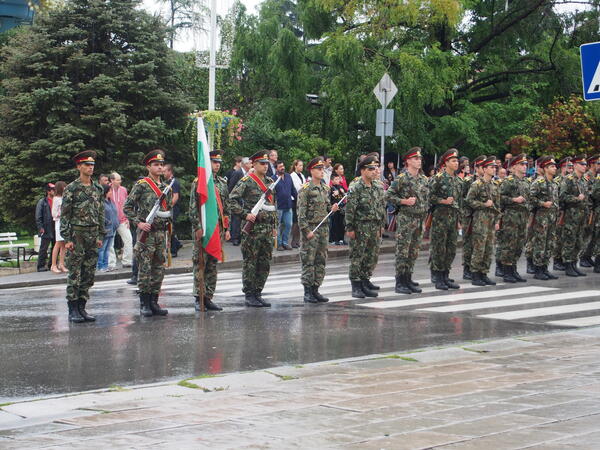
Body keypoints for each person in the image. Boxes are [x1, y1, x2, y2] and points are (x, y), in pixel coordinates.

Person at [123, 150, 172, 317]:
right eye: (156, 165)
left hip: (160, 233)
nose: (159, 167)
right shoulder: (142, 185)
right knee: (145, 269)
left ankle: (154, 302)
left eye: (161, 165)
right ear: (148, 167)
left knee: (158, 269)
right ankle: (144, 303)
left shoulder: (166, 188)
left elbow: (168, 210)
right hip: (147, 233)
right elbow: (127, 207)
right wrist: (139, 222)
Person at [228, 151, 278, 307]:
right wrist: (245, 214)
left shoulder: (270, 181)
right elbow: (232, 201)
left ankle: (258, 292)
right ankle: (249, 294)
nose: (265, 166)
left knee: (265, 263)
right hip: (254, 230)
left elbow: (272, 207)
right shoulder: (247, 181)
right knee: (251, 262)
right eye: (262, 163)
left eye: (266, 164)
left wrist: (274, 226)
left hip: (267, 229)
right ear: (254, 164)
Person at [60, 151, 104, 323]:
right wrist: (67, 238)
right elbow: (65, 215)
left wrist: (100, 234)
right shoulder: (72, 188)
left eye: (92, 165)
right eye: (86, 165)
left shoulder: (97, 188)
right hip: (77, 234)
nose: (90, 168)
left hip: (93, 234)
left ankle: (82, 307)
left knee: (89, 272)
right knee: (75, 272)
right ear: (79, 167)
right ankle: (72, 309)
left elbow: (100, 212)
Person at [385, 147, 428, 294]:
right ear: (408, 161)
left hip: (419, 219)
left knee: (414, 251)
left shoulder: (423, 179)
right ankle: (400, 281)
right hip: (406, 219)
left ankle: (408, 278)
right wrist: (404, 201)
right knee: (403, 251)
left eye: (420, 158)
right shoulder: (401, 178)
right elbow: (388, 196)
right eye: (416, 159)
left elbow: (426, 198)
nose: (419, 161)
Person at [189, 150, 229, 312]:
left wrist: (226, 228)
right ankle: (199, 298)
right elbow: (193, 208)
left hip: (217, 230)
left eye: (219, 162)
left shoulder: (221, 183)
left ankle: (208, 297)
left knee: (212, 264)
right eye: (214, 162)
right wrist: (197, 227)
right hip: (203, 229)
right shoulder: (199, 182)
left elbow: (224, 207)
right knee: (201, 264)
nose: (217, 165)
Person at [297, 157, 339, 303]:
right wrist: (306, 230)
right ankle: (307, 291)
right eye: (319, 169)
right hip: (311, 229)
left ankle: (316, 289)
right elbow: (301, 213)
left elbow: (327, 208)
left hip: (323, 228)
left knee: (321, 260)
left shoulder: (325, 188)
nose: (322, 172)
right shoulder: (305, 189)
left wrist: (332, 209)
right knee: (309, 260)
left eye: (322, 169)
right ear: (312, 170)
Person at [345, 155, 386, 298]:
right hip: (360, 226)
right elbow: (350, 209)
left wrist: (382, 224)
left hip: (374, 226)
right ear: (363, 170)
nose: (374, 171)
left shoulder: (377, 186)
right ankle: (356, 285)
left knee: (371, 255)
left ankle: (365, 280)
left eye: (376, 168)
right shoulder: (356, 187)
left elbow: (381, 207)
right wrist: (350, 228)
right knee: (358, 256)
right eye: (371, 168)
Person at [428, 149, 462, 290]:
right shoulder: (438, 178)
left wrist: (459, 220)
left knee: (451, 249)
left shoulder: (458, 180)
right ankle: (437, 276)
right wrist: (442, 201)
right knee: (439, 248)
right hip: (440, 219)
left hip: (453, 219)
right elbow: (429, 197)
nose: (456, 163)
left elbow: (460, 202)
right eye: (453, 161)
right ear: (446, 163)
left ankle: (445, 274)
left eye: (457, 161)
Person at [466, 157, 501, 286]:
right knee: (479, 248)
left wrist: (497, 220)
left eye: (494, 167)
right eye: (491, 167)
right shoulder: (477, 184)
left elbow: (497, 205)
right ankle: (475, 274)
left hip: (491, 220)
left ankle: (484, 273)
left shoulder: (495, 185)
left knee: (488, 248)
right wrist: (483, 204)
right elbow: (469, 201)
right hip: (480, 220)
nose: (493, 169)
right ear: (484, 169)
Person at [496, 154, 529, 283]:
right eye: (522, 164)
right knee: (509, 244)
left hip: (522, 217)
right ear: (514, 166)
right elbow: (500, 198)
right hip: (511, 217)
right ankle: (506, 271)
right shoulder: (508, 181)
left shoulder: (525, 182)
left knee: (519, 244)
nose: (525, 167)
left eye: (525, 164)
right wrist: (513, 199)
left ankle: (513, 269)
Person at [529, 156, 560, 280]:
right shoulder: (538, 182)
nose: (555, 168)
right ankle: (538, 269)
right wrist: (542, 203)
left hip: (552, 217)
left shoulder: (554, 183)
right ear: (545, 168)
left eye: (555, 166)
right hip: (541, 217)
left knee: (549, 243)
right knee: (540, 243)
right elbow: (531, 198)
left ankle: (545, 268)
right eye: (552, 166)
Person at [560, 154, 589, 277]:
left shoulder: (583, 180)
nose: (584, 166)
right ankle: (567, 265)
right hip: (571, 215)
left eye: (585, 165)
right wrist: (576, 199)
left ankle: (573, 263)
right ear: (576, 165)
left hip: (581, 216)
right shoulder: (568, 179)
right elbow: (562, 196)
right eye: (582, 164)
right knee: (569, 240)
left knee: (578, 241)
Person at [461, 155, 486, 280]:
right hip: (469, 216)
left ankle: (478, 268)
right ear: (477, 168)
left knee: (480, 244)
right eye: (483, 166)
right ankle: (467, 268)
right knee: (468, 243)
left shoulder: (487, 182)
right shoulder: (468, 181)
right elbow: (462, 198)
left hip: (482, 217)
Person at [107, 172, 133, 269]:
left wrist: (127, 218)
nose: (120, 181)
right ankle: (111, 264)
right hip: (111, 221)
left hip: (122, 220)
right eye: (118, 180)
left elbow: (126, 205)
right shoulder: (106, 189)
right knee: (110, 243)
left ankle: (127, 261)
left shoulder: (123, 190)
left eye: (120, 179)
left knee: (128, 239)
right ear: (112, 180)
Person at [552, 157, 574, 271]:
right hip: (560, 211)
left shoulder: (571, 179)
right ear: (562, 168)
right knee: (559, 237)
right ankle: (557, 260)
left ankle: (564, 259)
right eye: (568, 166)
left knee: (566, 236)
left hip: (569, 212)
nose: (570, 169)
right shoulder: (558, 180)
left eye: (571, 167)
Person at [227, 157, 252, 246]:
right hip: (237, 200)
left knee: (243, 219)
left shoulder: (249, 173)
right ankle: (235, 238)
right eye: (250, 163)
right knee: (236, 219)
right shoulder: (237, 173)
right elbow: (231, 185)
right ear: (245, 165)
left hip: (245, 200)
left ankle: (241, 236)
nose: (251, 165)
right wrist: (231, 198)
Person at [580, 154, 599, 268]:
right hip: (589, 209)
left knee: (593, 235)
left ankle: (588, 256)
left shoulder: (597, 176)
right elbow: (588, 192)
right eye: (598, 163)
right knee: (587, 235)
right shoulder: (588, 176)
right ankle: (583, 257)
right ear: (592, 164)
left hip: (594, 209)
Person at [273, 161, 296, 251]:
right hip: (278, 206)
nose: (282, 168)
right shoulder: (272, 178)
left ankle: (285, 242)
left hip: (288, 205)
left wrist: (297, 199)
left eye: (283, 166)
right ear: (276, 168)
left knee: (288, 224)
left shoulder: (288, 176)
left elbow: (293, 189)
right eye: (280, 166)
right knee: (278, 226)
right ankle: (279, 244)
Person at [97, 185, 119, 272]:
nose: (111, 193)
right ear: (105, 192)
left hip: (112, 229)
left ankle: (105, 266)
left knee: (107, 249)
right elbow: (99, 215)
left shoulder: (110, 202)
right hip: (105, 229)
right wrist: (107, 222)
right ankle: (100, 266)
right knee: (102, 249)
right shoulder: (101, 202)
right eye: (110, 191)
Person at [35, 183, 55, 272]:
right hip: (46, 227)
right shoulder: (42, 202)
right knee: (44, 247)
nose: (54, 191)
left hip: (55, 226)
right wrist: (40, 227)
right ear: (48, 191)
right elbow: (38, 216)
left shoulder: (56, 200)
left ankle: (52, 264)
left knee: (55, 247)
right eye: (53, 190)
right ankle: (40, 266)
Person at [164, 164, 182, 257]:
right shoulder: (168, 181)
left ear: (170, 171)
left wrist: (169, 206)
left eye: (165, 171)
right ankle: (177, 244)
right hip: (169, 209)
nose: (163, 173)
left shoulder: (174, 182)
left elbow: (175, 196)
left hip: (173, 209)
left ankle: (174, 249)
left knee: (171, 228)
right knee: (169, 228)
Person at [50, 181, 67, 273]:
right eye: (64, 187)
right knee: (58, 243)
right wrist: (61, 213)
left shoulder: (65, 198)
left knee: (64, 244)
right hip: (59, 222)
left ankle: (61, 263)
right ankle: (53, 265)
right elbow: (53, 213)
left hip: (65, 222)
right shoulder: (56, 199)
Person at [290, 160, 306, 248]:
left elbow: (304, 185)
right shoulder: (292, 175)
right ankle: (293, 241)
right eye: (300, 165)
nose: (301, 167)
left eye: (302, 165)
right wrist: (302, 187)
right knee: (295, 221)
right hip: (295, 200)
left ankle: (298, 240)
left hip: (302, 199)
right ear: (295, 166)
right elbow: (297, 187)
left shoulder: (302, 175)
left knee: (300, 220)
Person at [329, 174, 347, 244]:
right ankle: (333, 239)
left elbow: (344, 193)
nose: (338, 181)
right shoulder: (331, 188)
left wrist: (340, 192)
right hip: (334, 209)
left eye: (338, 179)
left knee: (341, 225)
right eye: (336, 179)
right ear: (332, 181)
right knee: (334, 225)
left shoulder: (340, 187)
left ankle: (341, 239)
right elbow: (332, 196)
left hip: (341, 209)